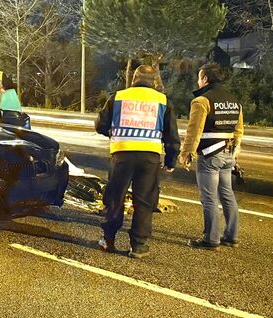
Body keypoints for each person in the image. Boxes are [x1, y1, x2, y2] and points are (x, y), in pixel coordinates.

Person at [95, 65, 180, 258]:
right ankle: (138, 245)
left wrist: (110, 132)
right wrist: (171, 160)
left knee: (115, 197)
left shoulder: (118, 97)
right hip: (149, 157)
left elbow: (101, 124)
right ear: (154, 82)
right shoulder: (163, 100)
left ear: (134, 79)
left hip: (122, 154)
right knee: (144, 200)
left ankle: (108, 239)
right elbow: (171, 134)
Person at [179, 63, 244, 249]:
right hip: (228, 154)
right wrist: (235, 152)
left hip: (209, 155)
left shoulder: (201, 101)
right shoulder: (234, 101)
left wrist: (186, 154)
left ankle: (211, 239)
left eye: (199, 78)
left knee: (209, 197)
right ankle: (231, 236)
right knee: (227, 194)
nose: (198, 82)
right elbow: (239, 130)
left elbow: (194, 131)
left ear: (205, 79)